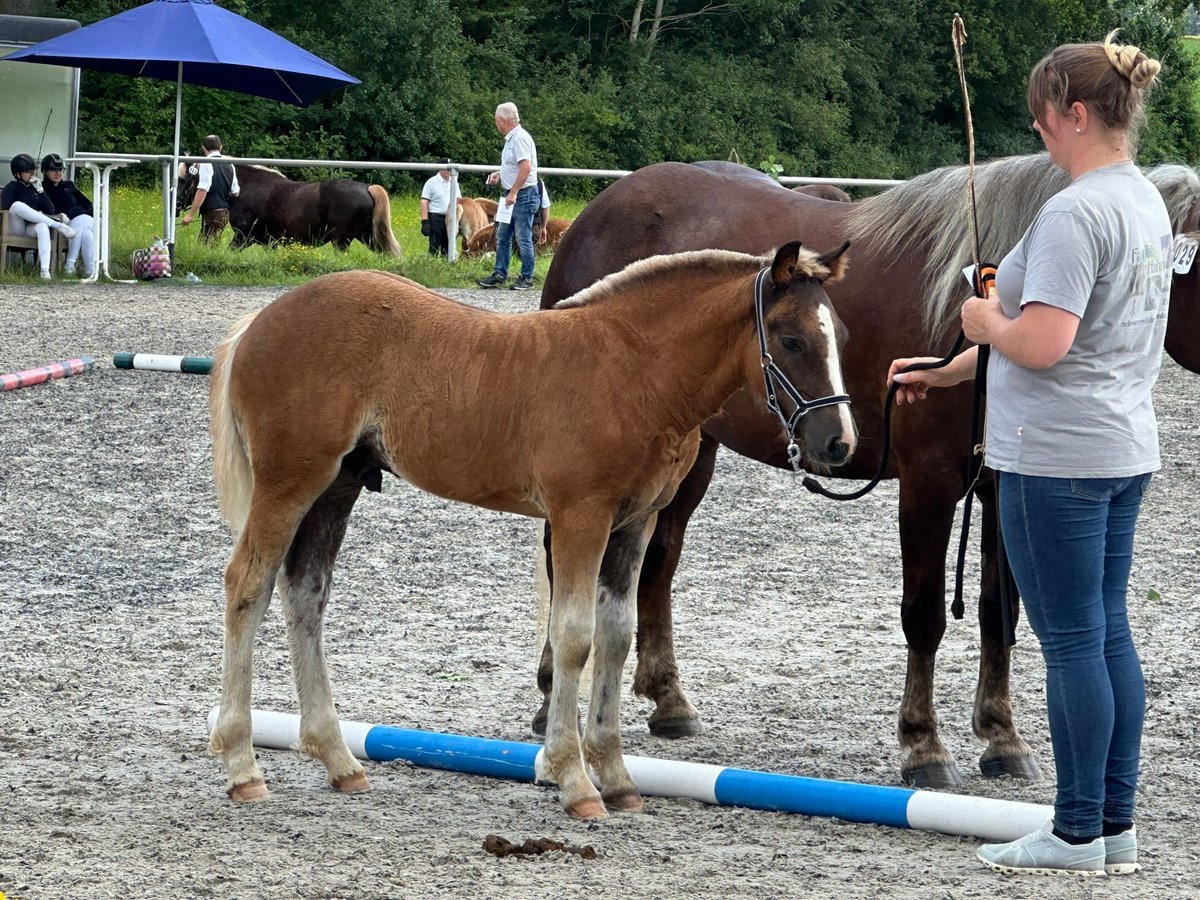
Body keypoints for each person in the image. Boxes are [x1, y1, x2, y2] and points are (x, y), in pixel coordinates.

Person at [888, 32, 1169, 878]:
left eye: (1043, 117)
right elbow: (1069, 333)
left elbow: (1042, 341)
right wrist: (953, 369)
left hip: (1058, 458)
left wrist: (979, 324)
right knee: (1107, 634)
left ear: (1074, 114)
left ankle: (1076, 830)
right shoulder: (1143, 200)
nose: (1038, 132)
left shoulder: (1074, 211)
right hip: (1119, 445)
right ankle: (1111, 824)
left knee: (1074, 642)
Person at [476, 102, 539, 291]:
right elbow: (514, 166)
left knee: (522, 237)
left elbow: (526, 168)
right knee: (503, 235)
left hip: (521, 195)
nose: (496, 124)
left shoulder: (519, 139)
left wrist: (513, 192)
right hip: (513, 194)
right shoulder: (513, 139)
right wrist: (500, 174)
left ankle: (527, 277)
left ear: (502, 120)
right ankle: (499, 273)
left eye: (497, 121)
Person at [1, 153, 77, 280]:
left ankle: (44, 271)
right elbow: (7, 206)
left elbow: (50, 209)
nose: (32, 174)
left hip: (29, 228)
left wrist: (40, 191)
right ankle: (57, 225)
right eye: (28, 172)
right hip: (15, 226)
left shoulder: (34, 188)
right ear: (18, 174)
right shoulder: (12, 187)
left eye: (33, 171)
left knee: (42, 226)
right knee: (17, 205)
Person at [39, 154, 96, 278]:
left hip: (83, 217)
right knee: (87, 234)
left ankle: (70, 265)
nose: (58, 173)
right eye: (54, 170)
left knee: (84, 226)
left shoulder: (68, 185)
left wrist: (97, 215)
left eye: (60, 170)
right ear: (44, 171)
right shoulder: (42, 189)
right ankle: (90, 270)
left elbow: (86, 203)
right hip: (63, 222)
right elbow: (45, 209)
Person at [180, 135, 240, 244]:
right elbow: (235, 192)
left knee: (205, 246)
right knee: (206, 245)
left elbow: (202, 190)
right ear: (220, 147)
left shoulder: (206, 162)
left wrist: (190, 215)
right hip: (224, 213)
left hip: (212, 212)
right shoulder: (230, 164)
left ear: (203, 148)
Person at [419, 159, 462, 257]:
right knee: (434, 244)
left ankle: (446, 265)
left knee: (448, 245)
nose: (449, 172)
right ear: (440, 168)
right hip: (436, 217)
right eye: (447, 169)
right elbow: (424, 201)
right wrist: (424, 221)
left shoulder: (454, 182)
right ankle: (431, 265)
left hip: (451, 217)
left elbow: (459, 200)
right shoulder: (431, 182)